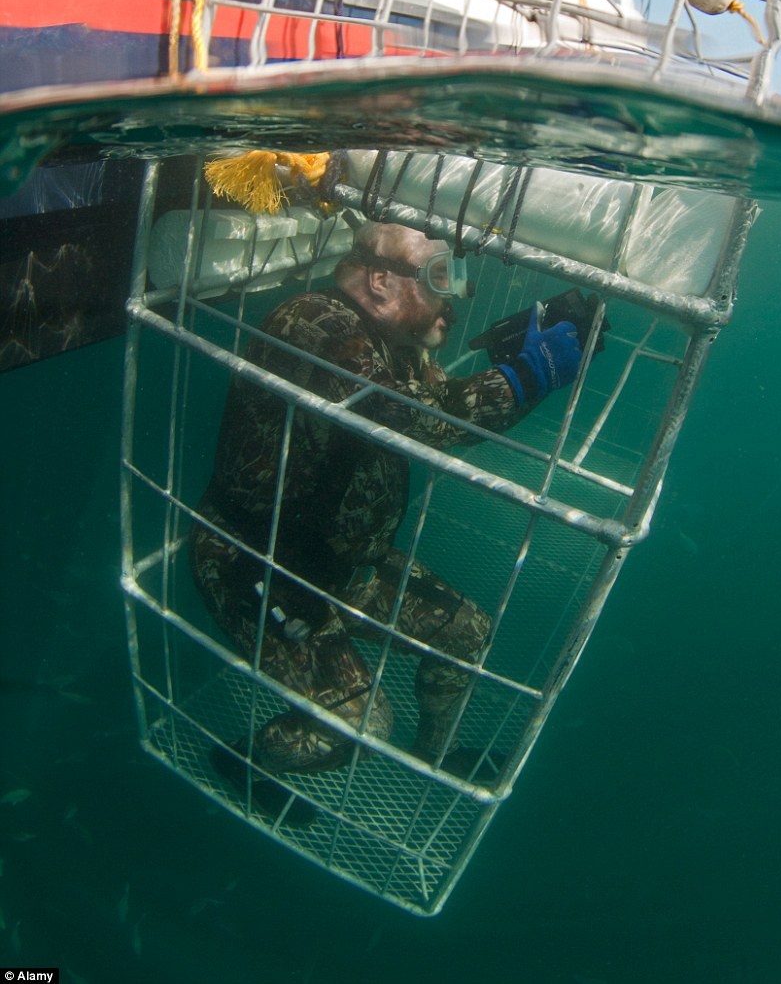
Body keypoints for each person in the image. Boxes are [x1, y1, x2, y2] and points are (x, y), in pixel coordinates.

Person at [190, 220, 583, 816]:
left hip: (343, 564)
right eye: (440, 278)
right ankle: (249, 759)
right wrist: (528, 376)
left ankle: (428, 758)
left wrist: (517, 367)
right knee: (361, 727)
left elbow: (447, 418)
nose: (454, 296)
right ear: (379, 281)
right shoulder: (317, 326)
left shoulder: (392, 347)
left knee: (465, 633)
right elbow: (418, 420)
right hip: (256, 560)